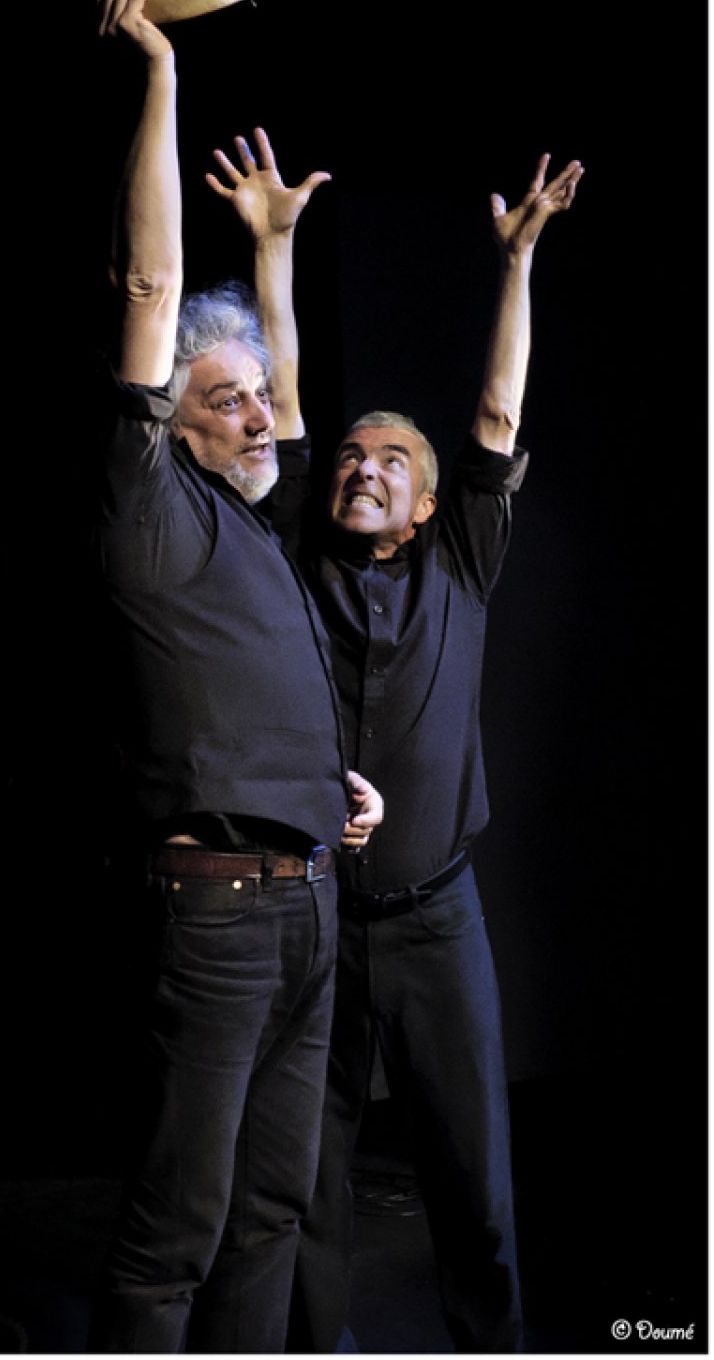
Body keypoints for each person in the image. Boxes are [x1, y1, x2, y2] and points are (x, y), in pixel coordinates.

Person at [204, 126, 582, 1351]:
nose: (363, 467)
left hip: (432, 916)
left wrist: (516, 263)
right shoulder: (297, 558)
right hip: (317, 915)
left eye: (392, 462)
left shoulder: (459, 564)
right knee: (308, 1171)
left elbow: (495, 410)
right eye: (352, 456)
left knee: (471, 1167)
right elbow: (288, 399)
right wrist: (274, 250)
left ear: (426, 508)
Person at [87, 0, 384, 1355]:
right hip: (216, 916)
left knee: (273, 1207)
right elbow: (152, 283)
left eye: (263, 394)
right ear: (173, 420)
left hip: (311, 895)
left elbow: (289, 387)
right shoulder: (153, 509)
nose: (262, 415)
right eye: (227, 399)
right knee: (180, 1225)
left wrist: (330, 792)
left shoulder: (262, 527)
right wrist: (161, 73)